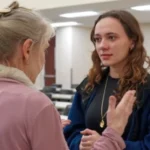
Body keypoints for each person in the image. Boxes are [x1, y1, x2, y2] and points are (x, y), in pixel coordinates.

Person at [64, 10, 150, 150]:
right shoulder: (89, 85)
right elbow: (71, 131)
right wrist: (81, 143)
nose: (102, 45)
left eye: (111, 37)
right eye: (98, 39)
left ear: (132, 42)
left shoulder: (147, 88)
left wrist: (108, 145)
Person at [0, 1, 68, 150]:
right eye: (44, 49)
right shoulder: (35, 104)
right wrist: (111, 136)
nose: (43, 59)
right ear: (27, 49)